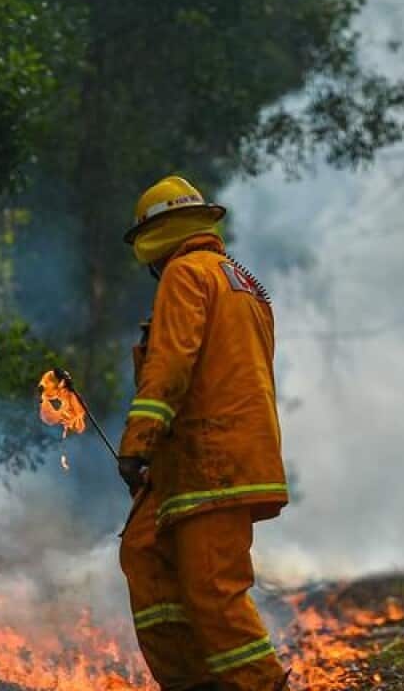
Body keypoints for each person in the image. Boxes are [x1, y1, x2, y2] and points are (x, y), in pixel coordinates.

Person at [117, 176, 290, 691]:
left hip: (210, 463)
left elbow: (168, 368)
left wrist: (136, 445)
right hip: (201, 460)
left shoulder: (184, 274)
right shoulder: (240, 280)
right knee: (144, 550)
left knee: (214, 592)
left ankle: (261, 686)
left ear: (152, 241)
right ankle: (197, 681)